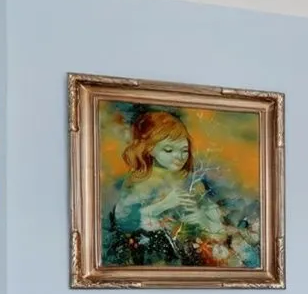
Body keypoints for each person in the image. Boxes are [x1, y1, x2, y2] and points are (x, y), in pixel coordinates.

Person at [105, 109, 258, 268]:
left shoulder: (190, 180)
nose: (179, 156)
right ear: (149, 149)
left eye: (184, 150)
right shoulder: (139, 181)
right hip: (158, 257)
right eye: (169, 150)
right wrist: (164, 204)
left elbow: (212, 217)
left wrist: (201, 219)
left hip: (196, 252)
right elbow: (124, 222)